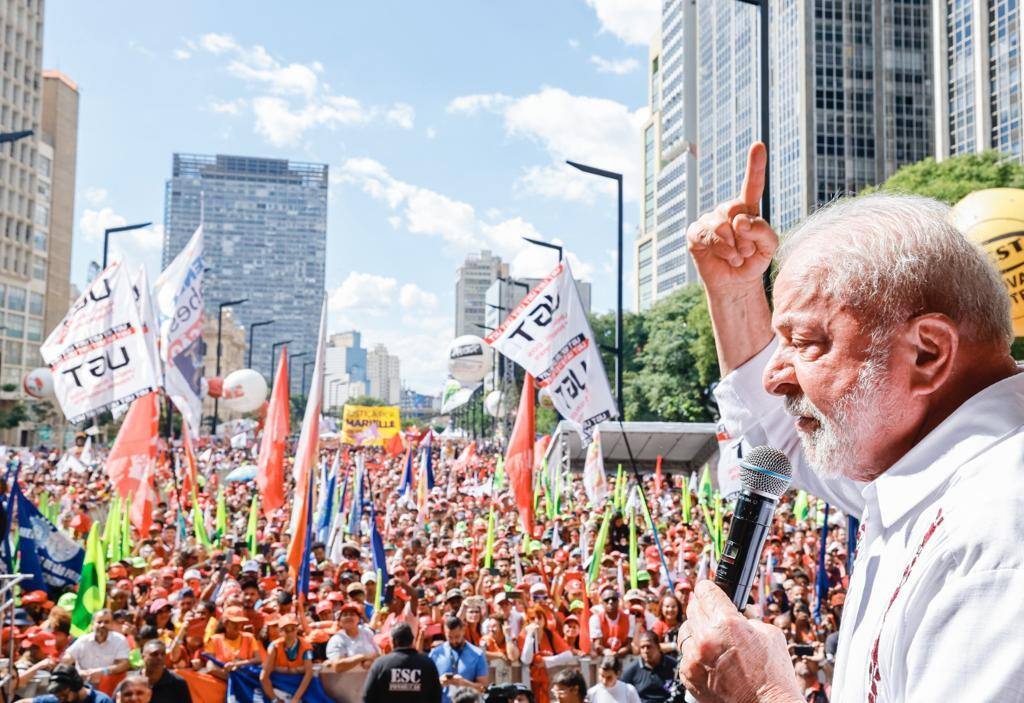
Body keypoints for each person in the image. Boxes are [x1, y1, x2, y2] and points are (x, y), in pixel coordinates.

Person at [679, 140, 1024, 701]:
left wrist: (762, 693)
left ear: (927, 353)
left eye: (806, 342)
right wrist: (738, 291)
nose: (774, 375)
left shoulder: (997, 532)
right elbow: (783, 432)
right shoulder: (927, 473)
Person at [362, 623, 442, 703]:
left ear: (392, 642)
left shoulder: (380, 664)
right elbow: (436, 696)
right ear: (412, 641)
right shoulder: (427, 664)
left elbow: (367, 696)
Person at [62, 611, 130, 694]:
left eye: (106, 622)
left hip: (110, 687)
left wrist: (103, 671)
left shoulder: (119, 640)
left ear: (112, 625)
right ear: (92, 625)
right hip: (85, 686)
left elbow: (124, 664)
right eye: (99, 622)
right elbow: (67, 659)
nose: (102, 625)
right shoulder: (83, 640)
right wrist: (77, 673)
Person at [428, 617, 488, 703]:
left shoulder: (477, 654)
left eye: (457, 636)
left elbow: (483, 689)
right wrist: (439, 683)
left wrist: (463, 683)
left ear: (463, 630)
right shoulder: (435, 653)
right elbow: (426, 686)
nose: (454, 641)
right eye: (449, 637)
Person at [261, 614, 312, 703]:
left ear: (297, 629)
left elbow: (309, 673)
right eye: (286, 630)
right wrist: (274, 699)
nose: (290, 633)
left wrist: (295, 699)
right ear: (280, 631)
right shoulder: (274, 647)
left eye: (293, 629)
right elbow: (264, 677)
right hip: (278, 687)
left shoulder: (306, 646)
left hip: (299, 687)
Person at [202, 606, 263, 680]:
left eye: (240, 623)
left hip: (246, 678)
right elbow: (211, 666)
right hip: (222, 678)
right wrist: (231, 676)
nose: (238, 626)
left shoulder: (249, 637)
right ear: (225, 623)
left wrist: (237, 664)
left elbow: (258, 659)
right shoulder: (215, 639)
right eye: (234, 623)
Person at [620, 631, 676, 703]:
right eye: (642, 647)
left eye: (649, 646)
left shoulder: (674, 666)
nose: (645, 651)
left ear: (658, 647)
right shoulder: (631, 670)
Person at [17, 664, 113, 703]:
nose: (60, 699)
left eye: (63, 694)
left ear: (76, 686)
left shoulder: (102, 700)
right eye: (58, 696)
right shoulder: (58, 700)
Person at [324, 603, 378, 672]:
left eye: (352, 614)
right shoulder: (336, 640)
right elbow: (337, 666)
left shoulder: (367, 632)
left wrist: (371, 661)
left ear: (358, 619)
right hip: (348, 681)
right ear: (339, 622)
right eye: (345, 615)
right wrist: (363, 657)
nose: (348, 617)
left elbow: (378, 654)